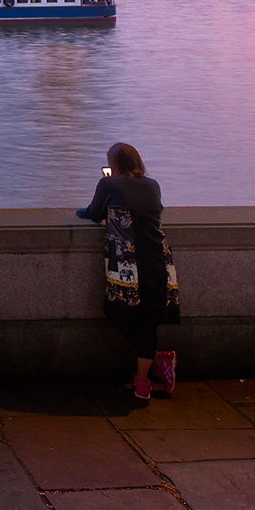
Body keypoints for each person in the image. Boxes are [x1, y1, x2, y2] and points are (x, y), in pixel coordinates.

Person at [78, 142, 181, 400]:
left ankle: (150, 371)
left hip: (128, 262)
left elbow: (93, 213)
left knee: (117, 313)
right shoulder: (152, 185)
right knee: (148, 320)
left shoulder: (108, 184)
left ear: (113, 164)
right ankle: (145, 378)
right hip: (158, 257)